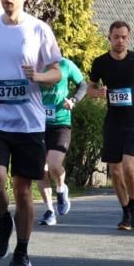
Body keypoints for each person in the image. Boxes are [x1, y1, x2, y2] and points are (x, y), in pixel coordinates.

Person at [0, 0, 61, 266]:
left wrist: (38, 77)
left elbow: (57, 72)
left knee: (23, 190)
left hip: (28, 124)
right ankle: (2, 220)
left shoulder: (39, 30)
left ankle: (21, 252)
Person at [87, 21, 134, 230]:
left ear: (128, 38)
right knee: (115, 172)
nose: (120, 41)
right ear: (109, 38)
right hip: (113, 122)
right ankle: (127, 212)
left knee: (128, 165)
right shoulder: (100, 62)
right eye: (116, 37)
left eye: (124, 37)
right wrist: (97, 93)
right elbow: (90, 88)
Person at [36, 56, 88, 226]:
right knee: (39, 169)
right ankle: (50, 211)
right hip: (37, 125)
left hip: (60, 124)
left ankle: (60, 187)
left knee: (53, 165)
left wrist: (73, 100)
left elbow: (83, 85)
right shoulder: (33, 64)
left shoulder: (66, 64)